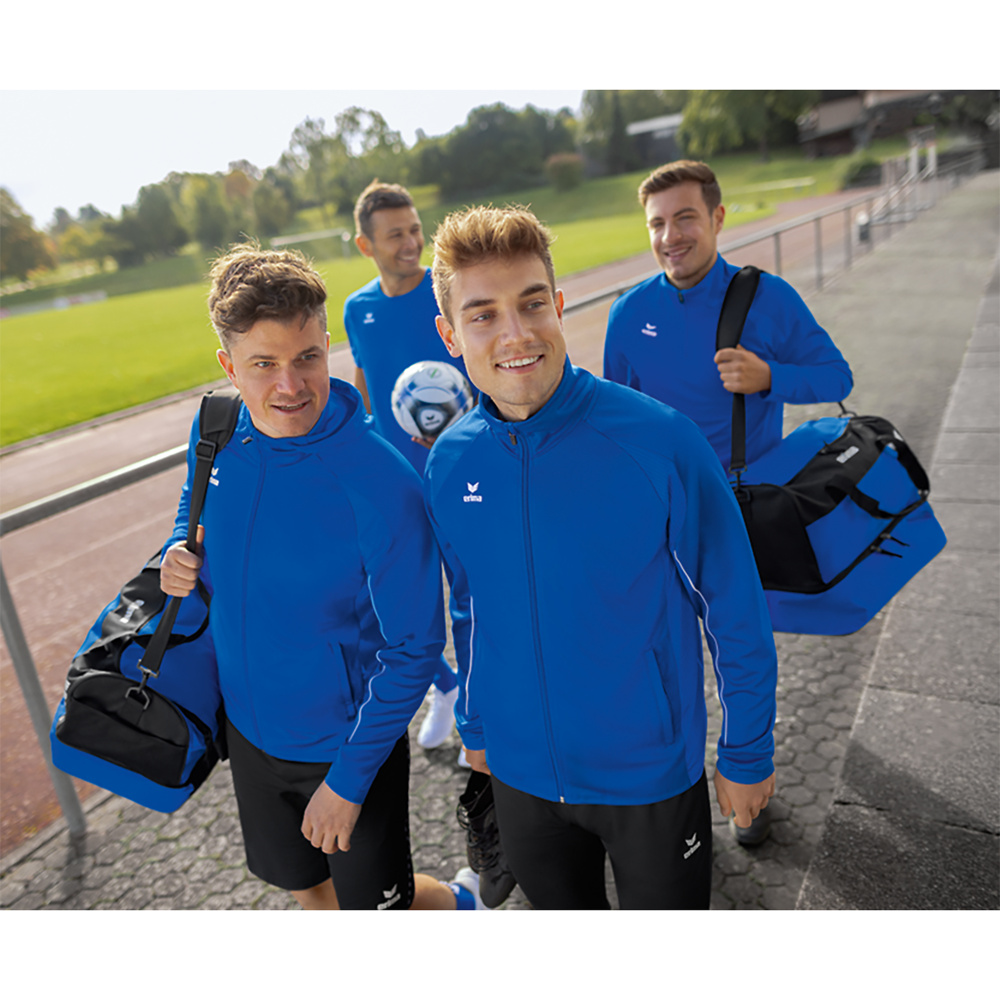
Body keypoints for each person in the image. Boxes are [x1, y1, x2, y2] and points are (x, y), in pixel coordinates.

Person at [422, 205, 778, 909]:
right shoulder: (449, 461)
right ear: (451, 334)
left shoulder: (660, 441)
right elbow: (470, 606)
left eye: (531, 305)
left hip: (648, 776)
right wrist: (478, 725)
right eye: (484, 314)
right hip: (520, 777)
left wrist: (748, 750)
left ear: (558, 306)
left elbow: (734, 605)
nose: (516, 334)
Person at [159, 242, 483, 910]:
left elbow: (415, 650)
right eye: (264, 364)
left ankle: (463, 906)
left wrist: (349, 780)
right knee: (307, 888)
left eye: (307, 357)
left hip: (344, 747)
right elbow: (191, 523)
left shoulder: (381, 481)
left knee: (377, 913)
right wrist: (175, 553)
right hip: (248, 735)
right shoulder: (213, 434)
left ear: (327, 344)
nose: (290, 385)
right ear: (228, 367)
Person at [603, 160, 854, 845]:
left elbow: (838, 374)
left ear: (717, 218)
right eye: (657, 222)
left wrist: (771, 376)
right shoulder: (628, 315)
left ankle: (750, 782)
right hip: (656, 516)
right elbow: (610, 423)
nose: (669, 235)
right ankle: (675, 792)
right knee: (664, 656)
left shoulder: (765, 298)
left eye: (684, 217)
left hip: (738, 507)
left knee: (740, 650)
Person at [344, 180, 466, 754]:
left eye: (416, 229)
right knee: (397, 608)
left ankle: (479, 712)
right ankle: (445, 686)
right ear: (366, 246)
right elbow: (366, 381)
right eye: (396, 235)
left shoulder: (447, 293)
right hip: (395, 483)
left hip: (461, 473)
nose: (412, 243)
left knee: (471, 595)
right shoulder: (357, 309)